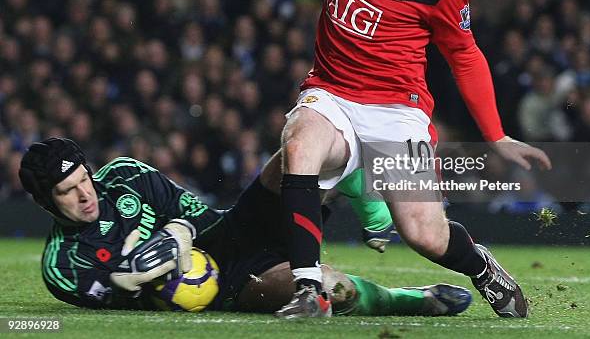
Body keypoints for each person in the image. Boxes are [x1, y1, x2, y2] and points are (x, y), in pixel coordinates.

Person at [204, 0, 552, 318]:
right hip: (332, 93)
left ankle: (481, 267)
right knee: (300, 142)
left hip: (396, 111)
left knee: (424, 234)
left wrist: (495, 135)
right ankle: (309, 290)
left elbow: (465, 56)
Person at [18, 137, 472, 316]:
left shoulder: (124, 176)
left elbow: (196, 216)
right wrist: (129, 282)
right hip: (232, 286)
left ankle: (355, 180)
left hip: (229, 234)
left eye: (84, 179)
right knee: (333, 290)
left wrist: (175, 235)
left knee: (292, 157)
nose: (85, 194)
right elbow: (51, 320)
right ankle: (414, 300)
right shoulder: (62, 265)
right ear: (44, 202)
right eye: (68, 192)